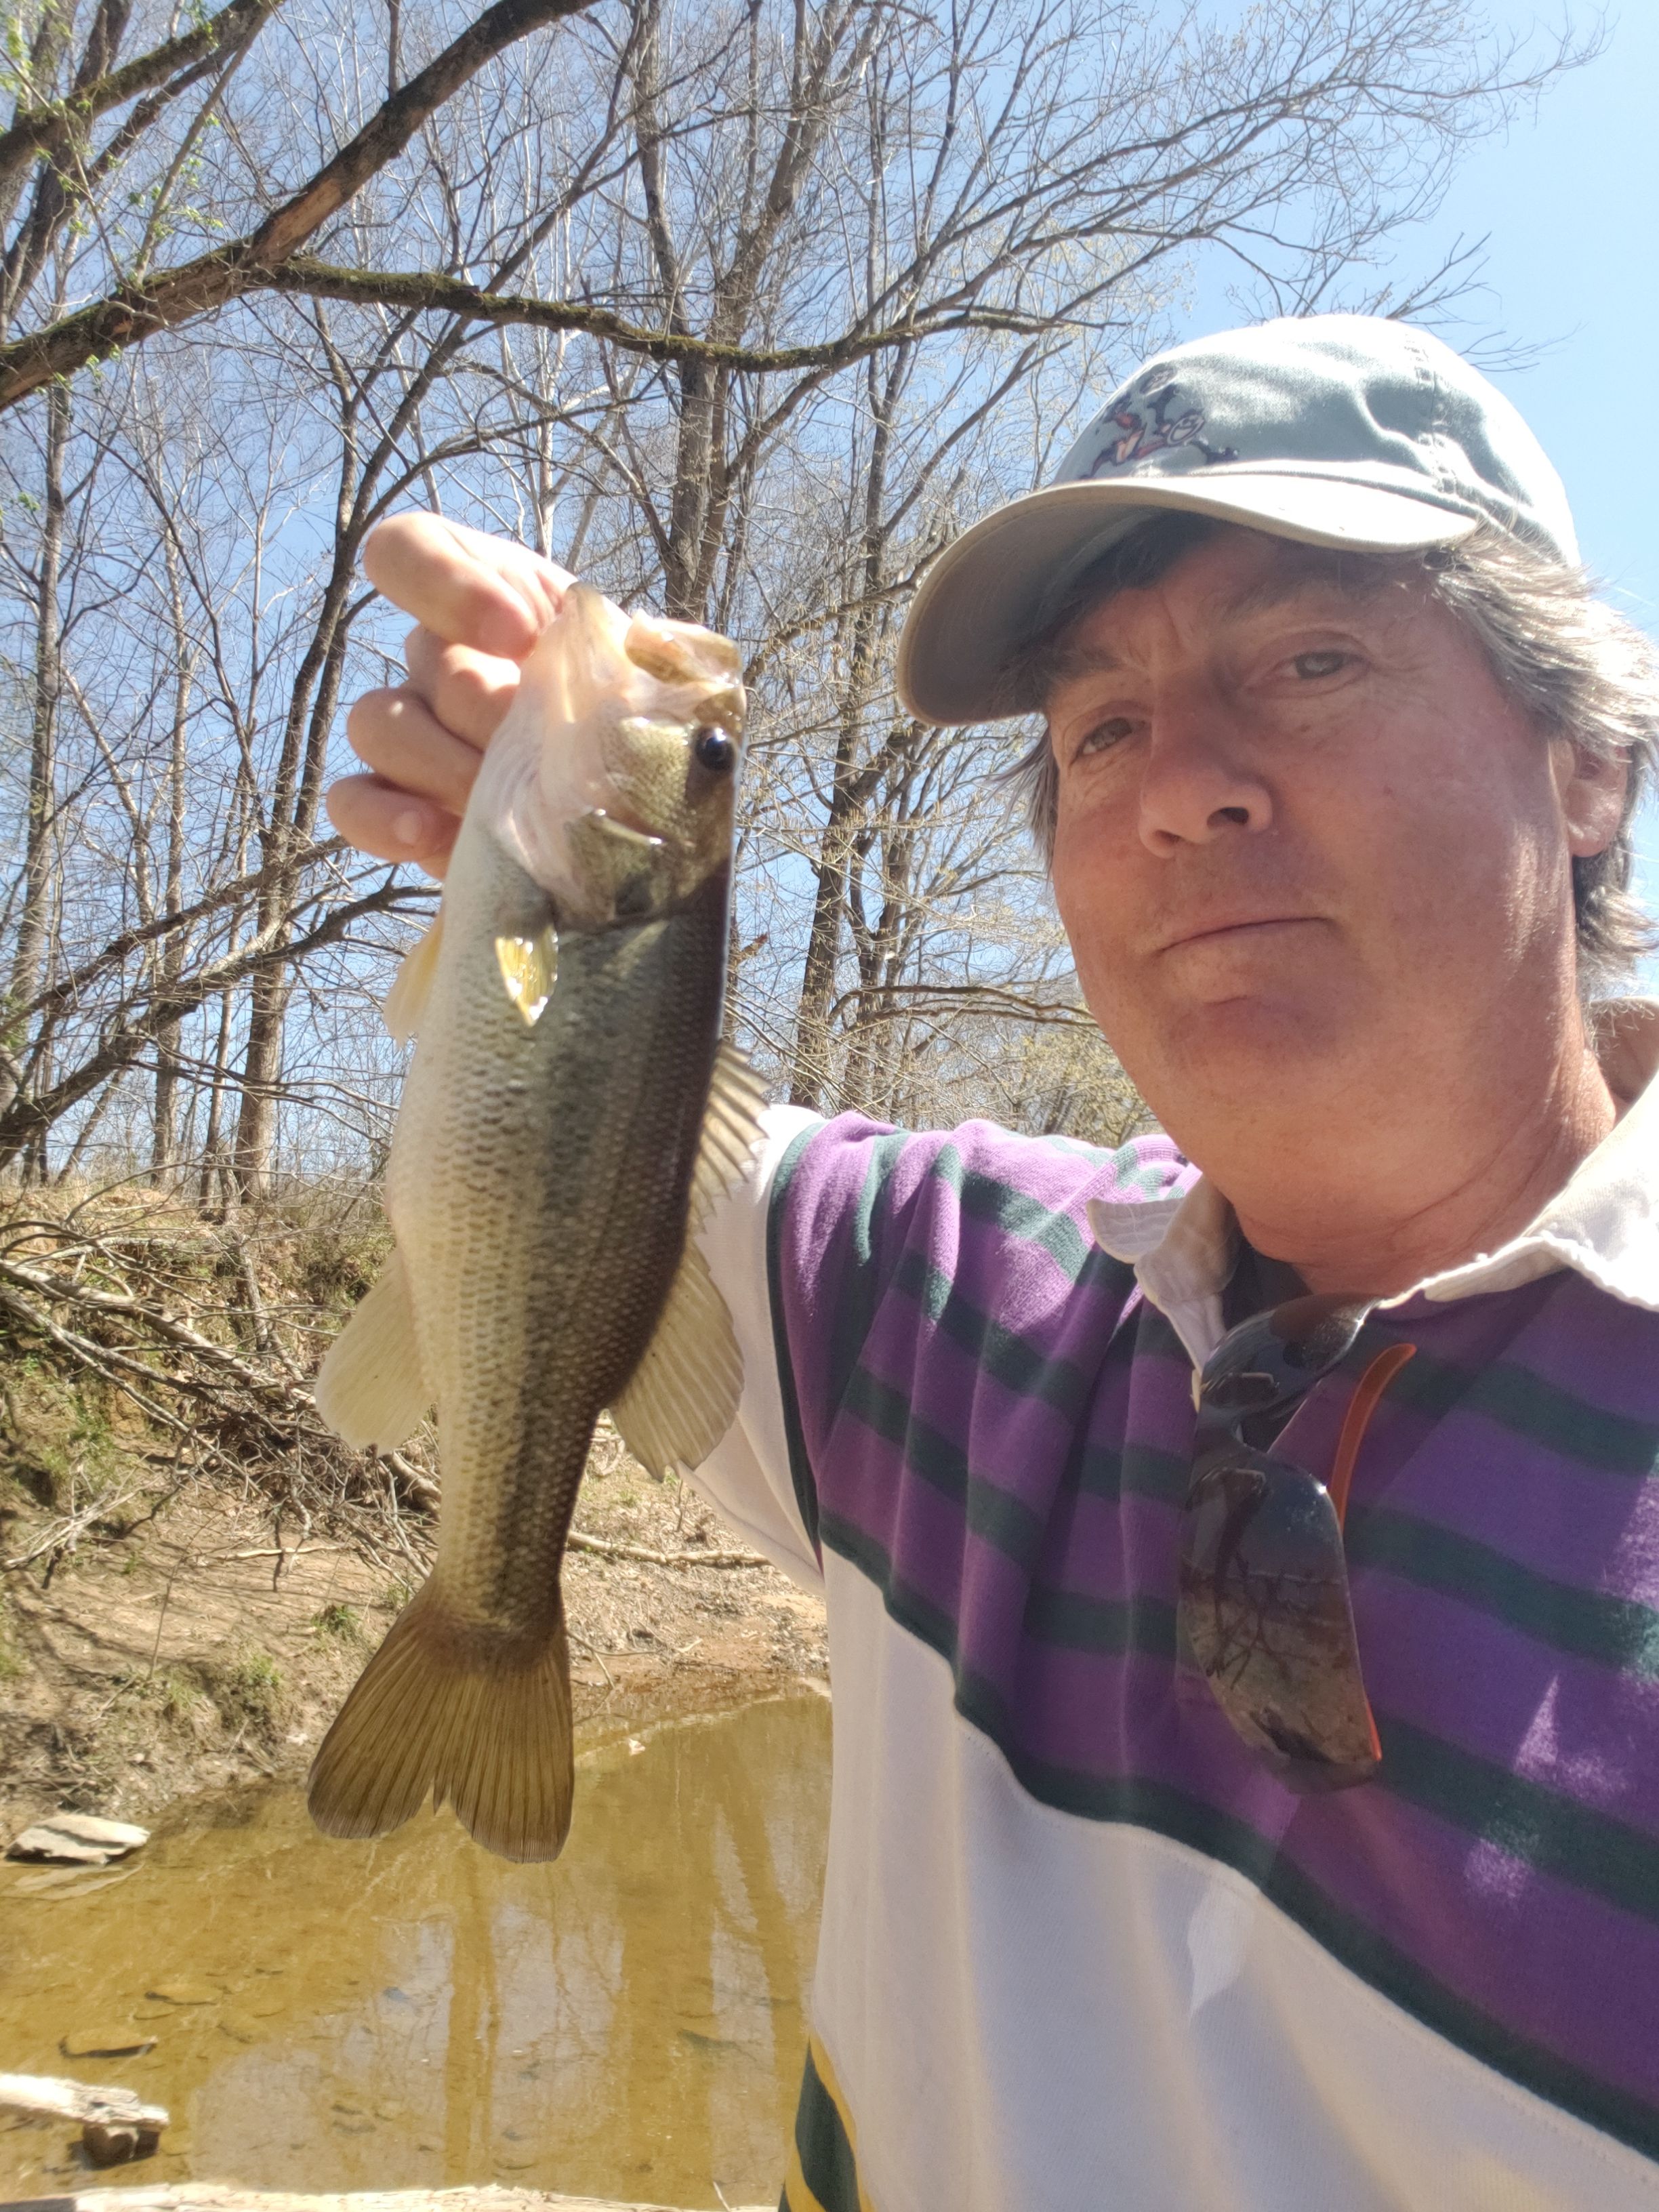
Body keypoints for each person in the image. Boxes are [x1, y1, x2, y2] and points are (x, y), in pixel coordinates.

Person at [331, 316, 1659, 2211]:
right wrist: (530, 822)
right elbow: (571, 1129)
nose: (1182, 788)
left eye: (1308, 660)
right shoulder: (922, 1295)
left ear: (1591, 764)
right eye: (1102, 725)